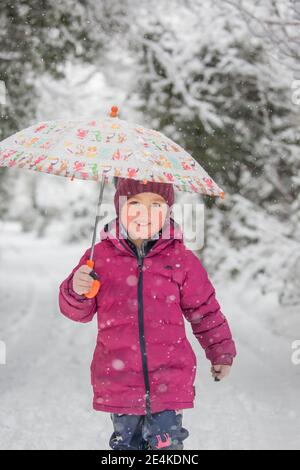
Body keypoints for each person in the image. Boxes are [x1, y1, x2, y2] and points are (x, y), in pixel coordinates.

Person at [58, 176, 237, 450]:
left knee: (166, 448)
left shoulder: (181, 259)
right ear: (119, 206)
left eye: (157, 204)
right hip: (119, 379)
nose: (146, 213)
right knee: (126, 447)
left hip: (170, 378)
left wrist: (220, 351)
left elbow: (205, 309)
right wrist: (77, 289)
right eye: (135, 203)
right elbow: (77, 312)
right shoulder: (100, 258)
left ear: (168, 210)